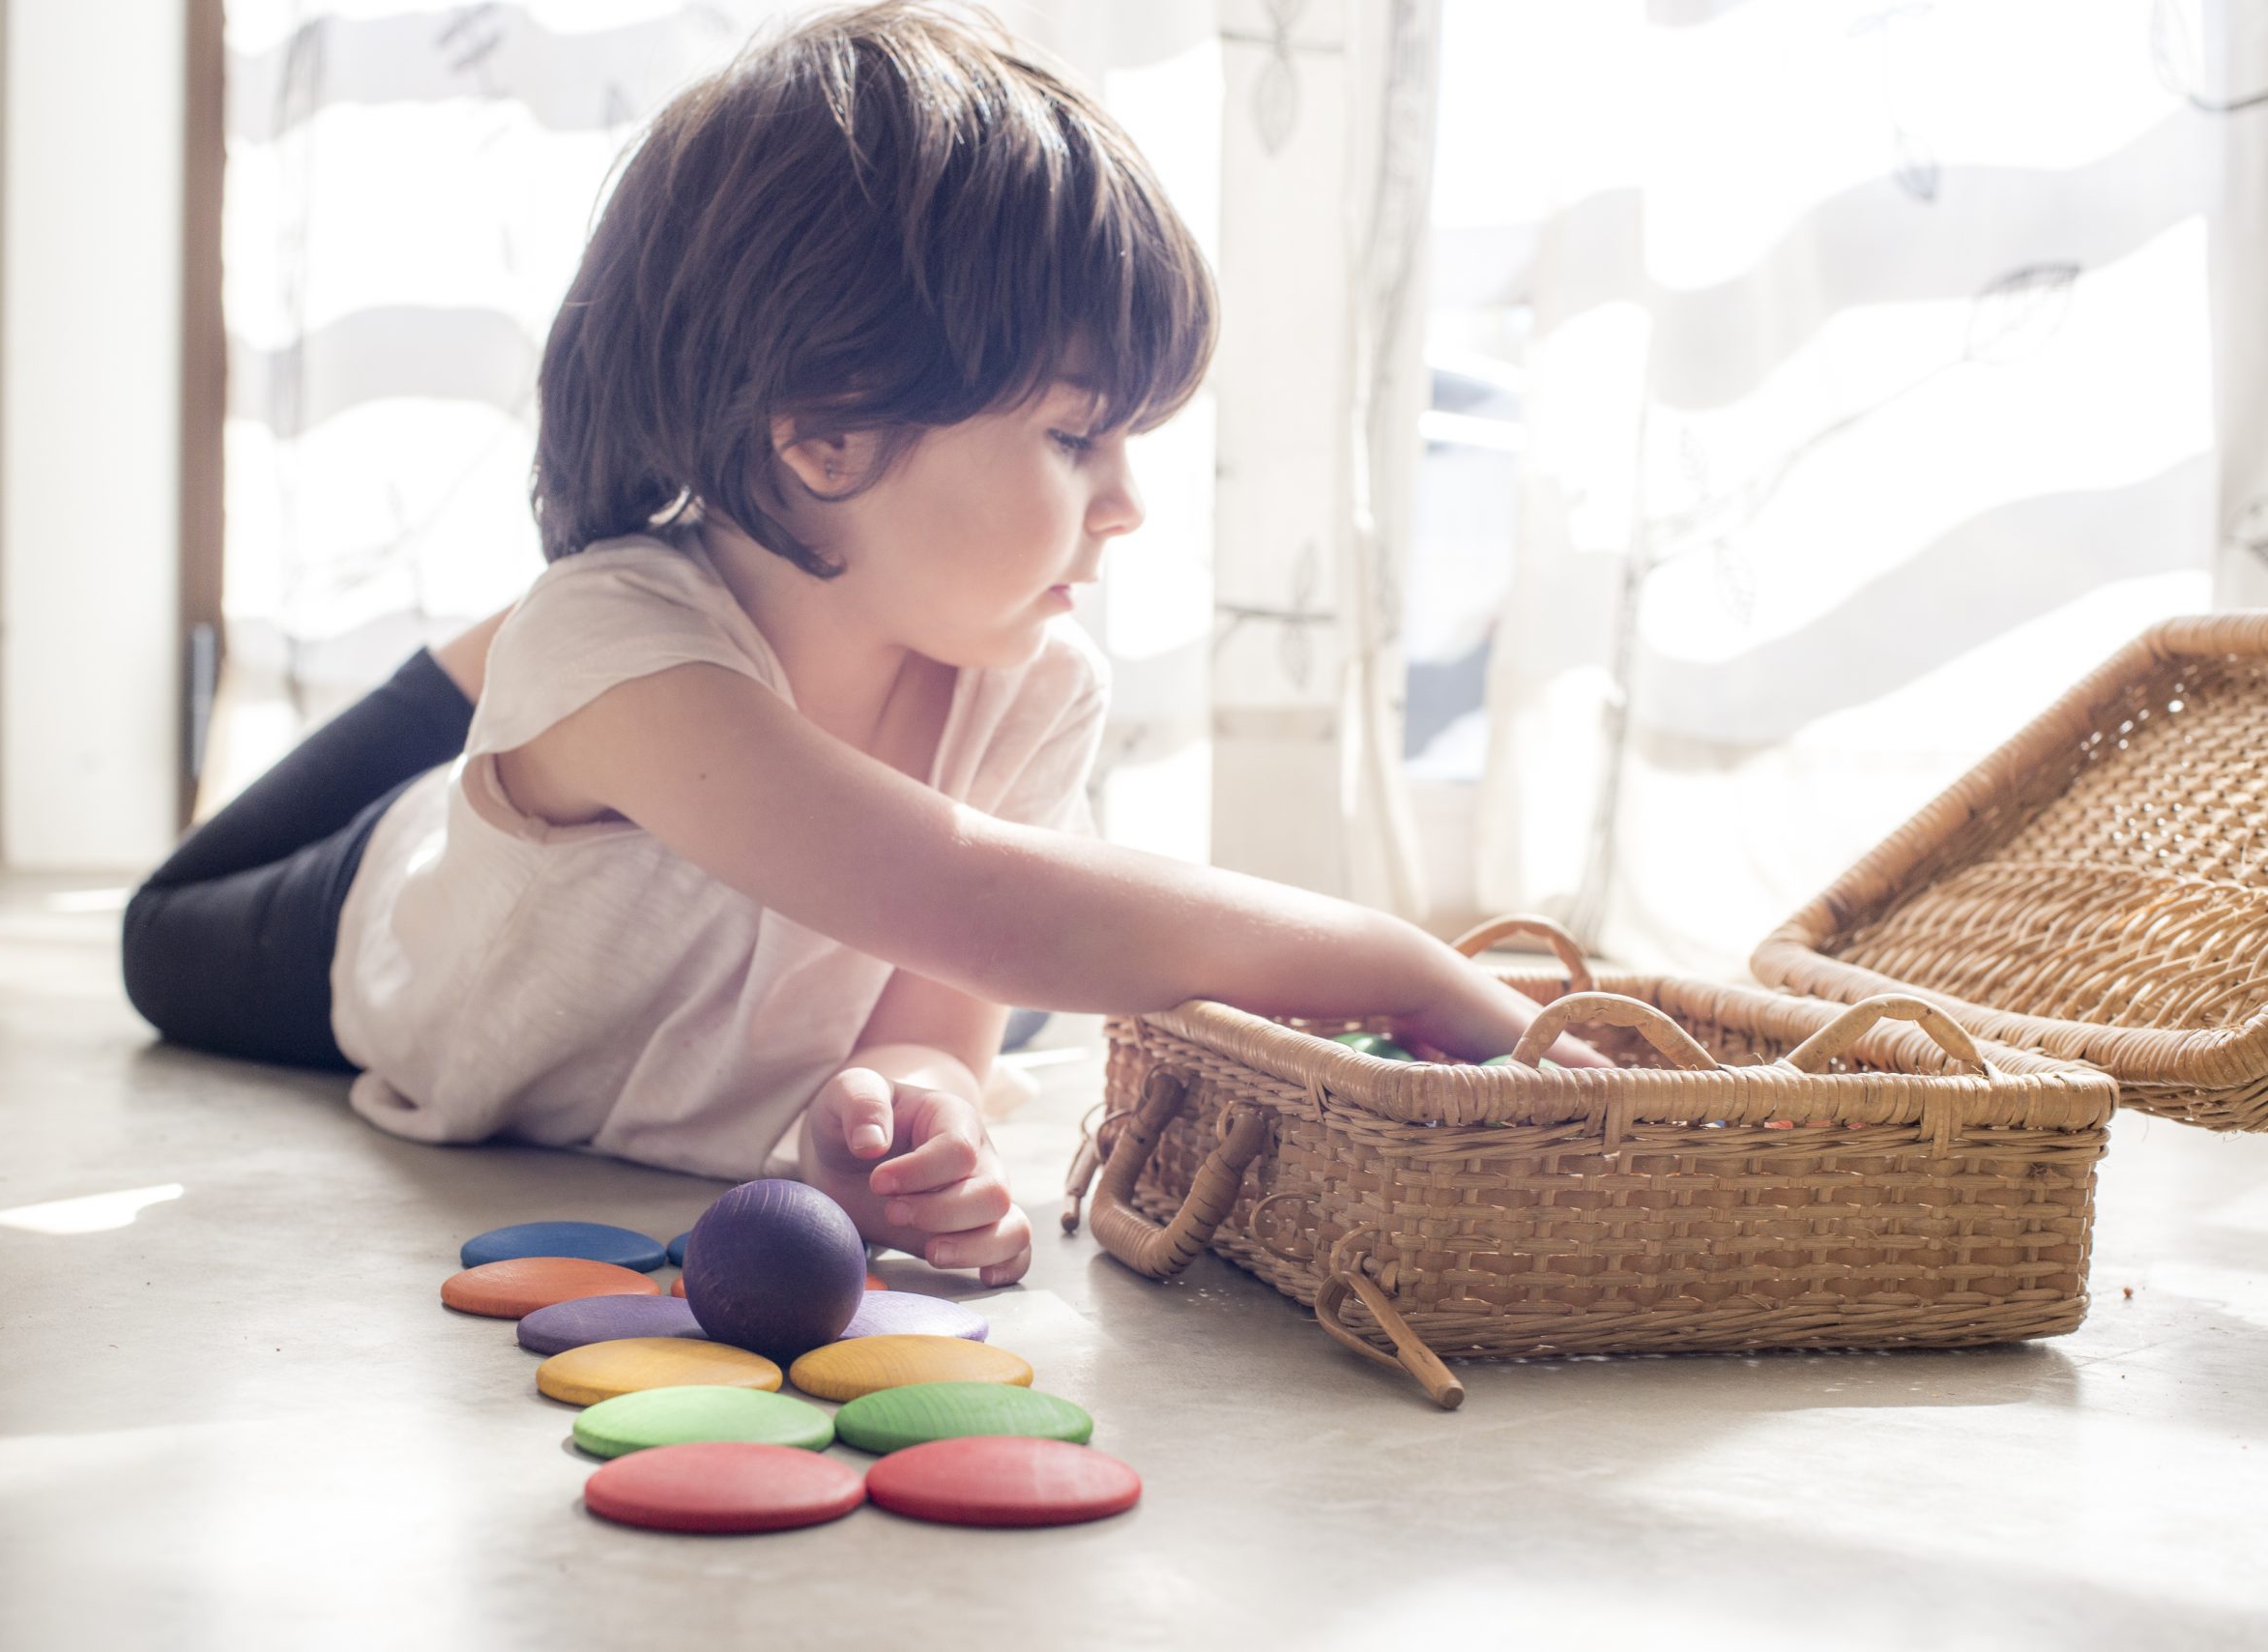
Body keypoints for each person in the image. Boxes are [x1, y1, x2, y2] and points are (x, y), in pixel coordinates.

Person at [122, 0, 1612, 1293]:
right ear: (826, 435)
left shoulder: (1034, 684)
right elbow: (966, 889)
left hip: (730, 783)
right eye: (1077, 436)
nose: (1129, 506)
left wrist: (903, 1121)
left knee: (1039, 917)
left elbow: (933, 1022)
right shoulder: (625, 652)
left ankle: (578, 664)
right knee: (162, 937)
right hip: (393, 907)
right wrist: (1407, 967)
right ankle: (524, 670)